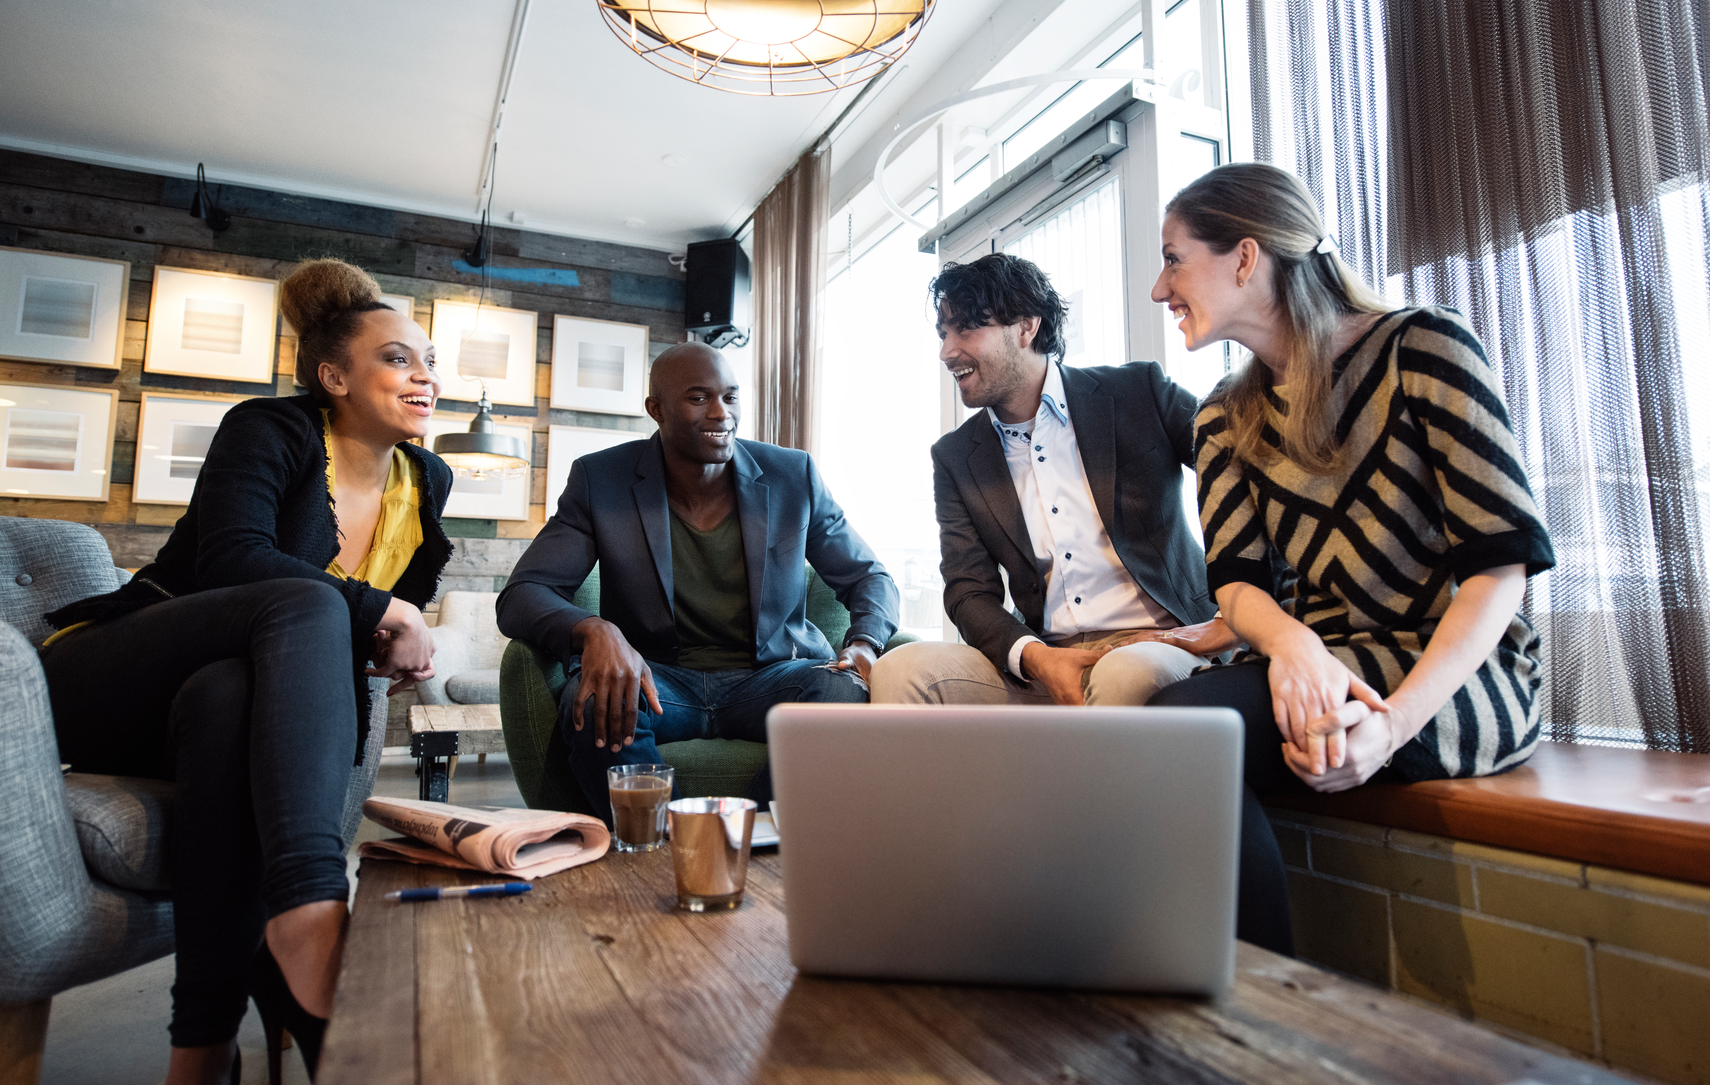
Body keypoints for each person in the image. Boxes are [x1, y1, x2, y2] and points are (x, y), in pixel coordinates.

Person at [39, 259, 453, 1085]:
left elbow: (368, 621)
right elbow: (236, 559)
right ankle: (305, 904)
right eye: (399, 358)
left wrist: (379, 633)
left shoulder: (426, 478)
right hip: (109, 679)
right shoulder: (271, 428)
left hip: (217, 701)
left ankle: (199, 1051)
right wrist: (382, 612)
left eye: (430, 360)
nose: (426, 376)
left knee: (231, 696)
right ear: (332, 376)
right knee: (301, 602)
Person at [1145, 163, 1555, 955]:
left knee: (1190, 738)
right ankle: (1251, 1020)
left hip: (1460, 671)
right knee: (1177, 734)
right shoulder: (1222, 417)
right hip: (1327, 663)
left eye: (1172, 257)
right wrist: (1293, 645)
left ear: (1243, 257)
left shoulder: (1425, 346)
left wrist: (1395, 723)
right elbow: (1235, 579)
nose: (1161, 289)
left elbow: (1498, 567)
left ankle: (1269, 1020)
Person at [497, 341, 899, 821]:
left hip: (770, 677)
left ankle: (751, 841)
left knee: (841, 693)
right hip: (658, 681)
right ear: (656, 409)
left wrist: (863, 644)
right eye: (698, 397)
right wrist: (595, 630)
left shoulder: (792, 475)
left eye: (730, 397)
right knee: (593, 698)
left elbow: (869, 576)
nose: (720, 413)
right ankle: (654, 846)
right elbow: (522, 595)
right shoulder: (602, 480)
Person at [869, 253, 1239, 709]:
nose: (947, 351)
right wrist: (1036, 657)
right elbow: (968, 591)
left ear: (1027, 327)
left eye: (965, 328)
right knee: (901, 670)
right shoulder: (955, 457)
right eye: (943, 333)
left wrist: (1240, 613)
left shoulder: (1138, 391)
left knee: (1123, 674)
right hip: (1046, 659)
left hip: (1162, 642)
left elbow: (1249, 474)